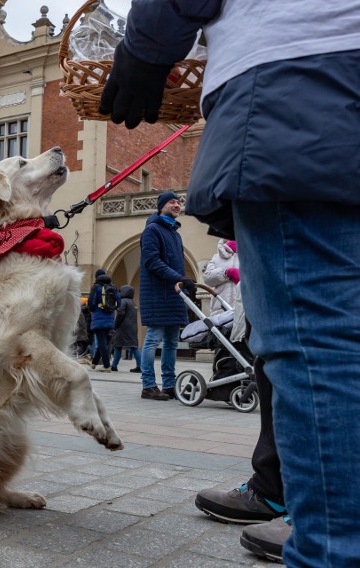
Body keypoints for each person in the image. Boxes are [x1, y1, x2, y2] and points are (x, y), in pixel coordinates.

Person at [98, 2, 359, 564]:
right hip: (327, 76)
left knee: (317, 346)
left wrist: (143, 51)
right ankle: (289, 497)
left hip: (298, 79)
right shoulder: (155, 231)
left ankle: (333, 542)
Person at [136, 192, 195, 400]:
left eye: (178, 202)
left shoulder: (175, 234)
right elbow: (152, 262)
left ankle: (169, 385)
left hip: (173, 293)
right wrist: (178, 278)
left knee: (171, 341)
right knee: (153, 339)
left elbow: (176, 264)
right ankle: (148, 385)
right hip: (157, 293)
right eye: (172, 201)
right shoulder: (152, 230)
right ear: (161, 206)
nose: (177, 205)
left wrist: (185, 283)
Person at [87, 269, 119, 372]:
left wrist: (94, 309)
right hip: (110, 318)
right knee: (103, 342)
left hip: (98, 318)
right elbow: (119, 303)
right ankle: (94, 363)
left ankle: (106, 366)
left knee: (101, 342)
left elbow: (91, 303)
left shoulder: (96, 287)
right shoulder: (113, 287)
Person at [201, 239, 238, 316]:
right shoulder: (217, 257)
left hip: (243, 307)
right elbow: (207, 278)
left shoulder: (250, 256)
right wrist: (226, 273)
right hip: (220, 308)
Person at [111, 285, 141, 372]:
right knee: (134, 346)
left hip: (123, 327)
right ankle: (140, 366)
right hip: (132, 327)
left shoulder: (123, 301)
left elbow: (120, 313)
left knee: (117, 346)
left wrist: (115, 325)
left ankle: (114, 365)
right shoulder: (132, 302)